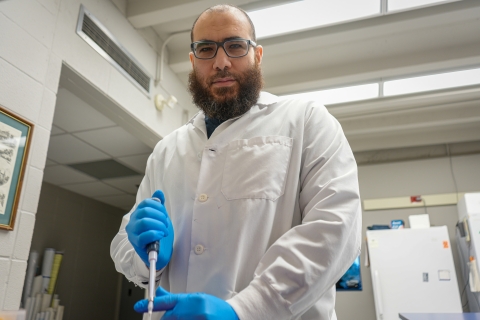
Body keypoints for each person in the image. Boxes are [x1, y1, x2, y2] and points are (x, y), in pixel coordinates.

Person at [111, 4, 362, 320]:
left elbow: (336, 229)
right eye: (206, 49)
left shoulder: (306, 120)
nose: (220, 62)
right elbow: (124, 247)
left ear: (257, 55)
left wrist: (244, 310)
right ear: (193, 61)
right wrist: (144, 256)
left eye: (235, 46)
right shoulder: (166, 150)